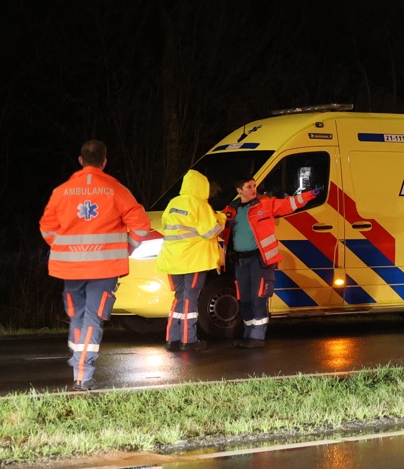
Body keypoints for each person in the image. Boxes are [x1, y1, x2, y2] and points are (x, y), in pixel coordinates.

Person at [37, 140, 157, 390]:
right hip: (105, 268)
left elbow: (47, 228)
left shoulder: (62, 191)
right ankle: (83, 374)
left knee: (77, 317)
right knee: (93, 318)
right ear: (104, 161)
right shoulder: (116, 190)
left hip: (71, 268)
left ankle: (78, 364)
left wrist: (64, 248)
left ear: (80, 160)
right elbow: (141, 226)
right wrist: (128, 248)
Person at [223, 175, 321, 348]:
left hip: (260, 260)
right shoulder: (231, 210)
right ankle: (248, 334)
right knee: (244, 299)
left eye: (254, 186)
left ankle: (257, 336)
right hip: (240, 261)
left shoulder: (265, 204)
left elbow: (289, 204)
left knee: (258, 297)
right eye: (249, 187)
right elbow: (218, 228)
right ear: (239, 191)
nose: (253, 189)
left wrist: (310, 195)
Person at [158, 169, 226, 351]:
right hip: (194, 259)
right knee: (191, 298)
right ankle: (189, 340)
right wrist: (221, 218)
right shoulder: (199, 204)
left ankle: (172, 339)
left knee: (179, 298)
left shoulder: (173, 203)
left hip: (172, 260)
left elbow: (165, 226)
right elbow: (210, 231)